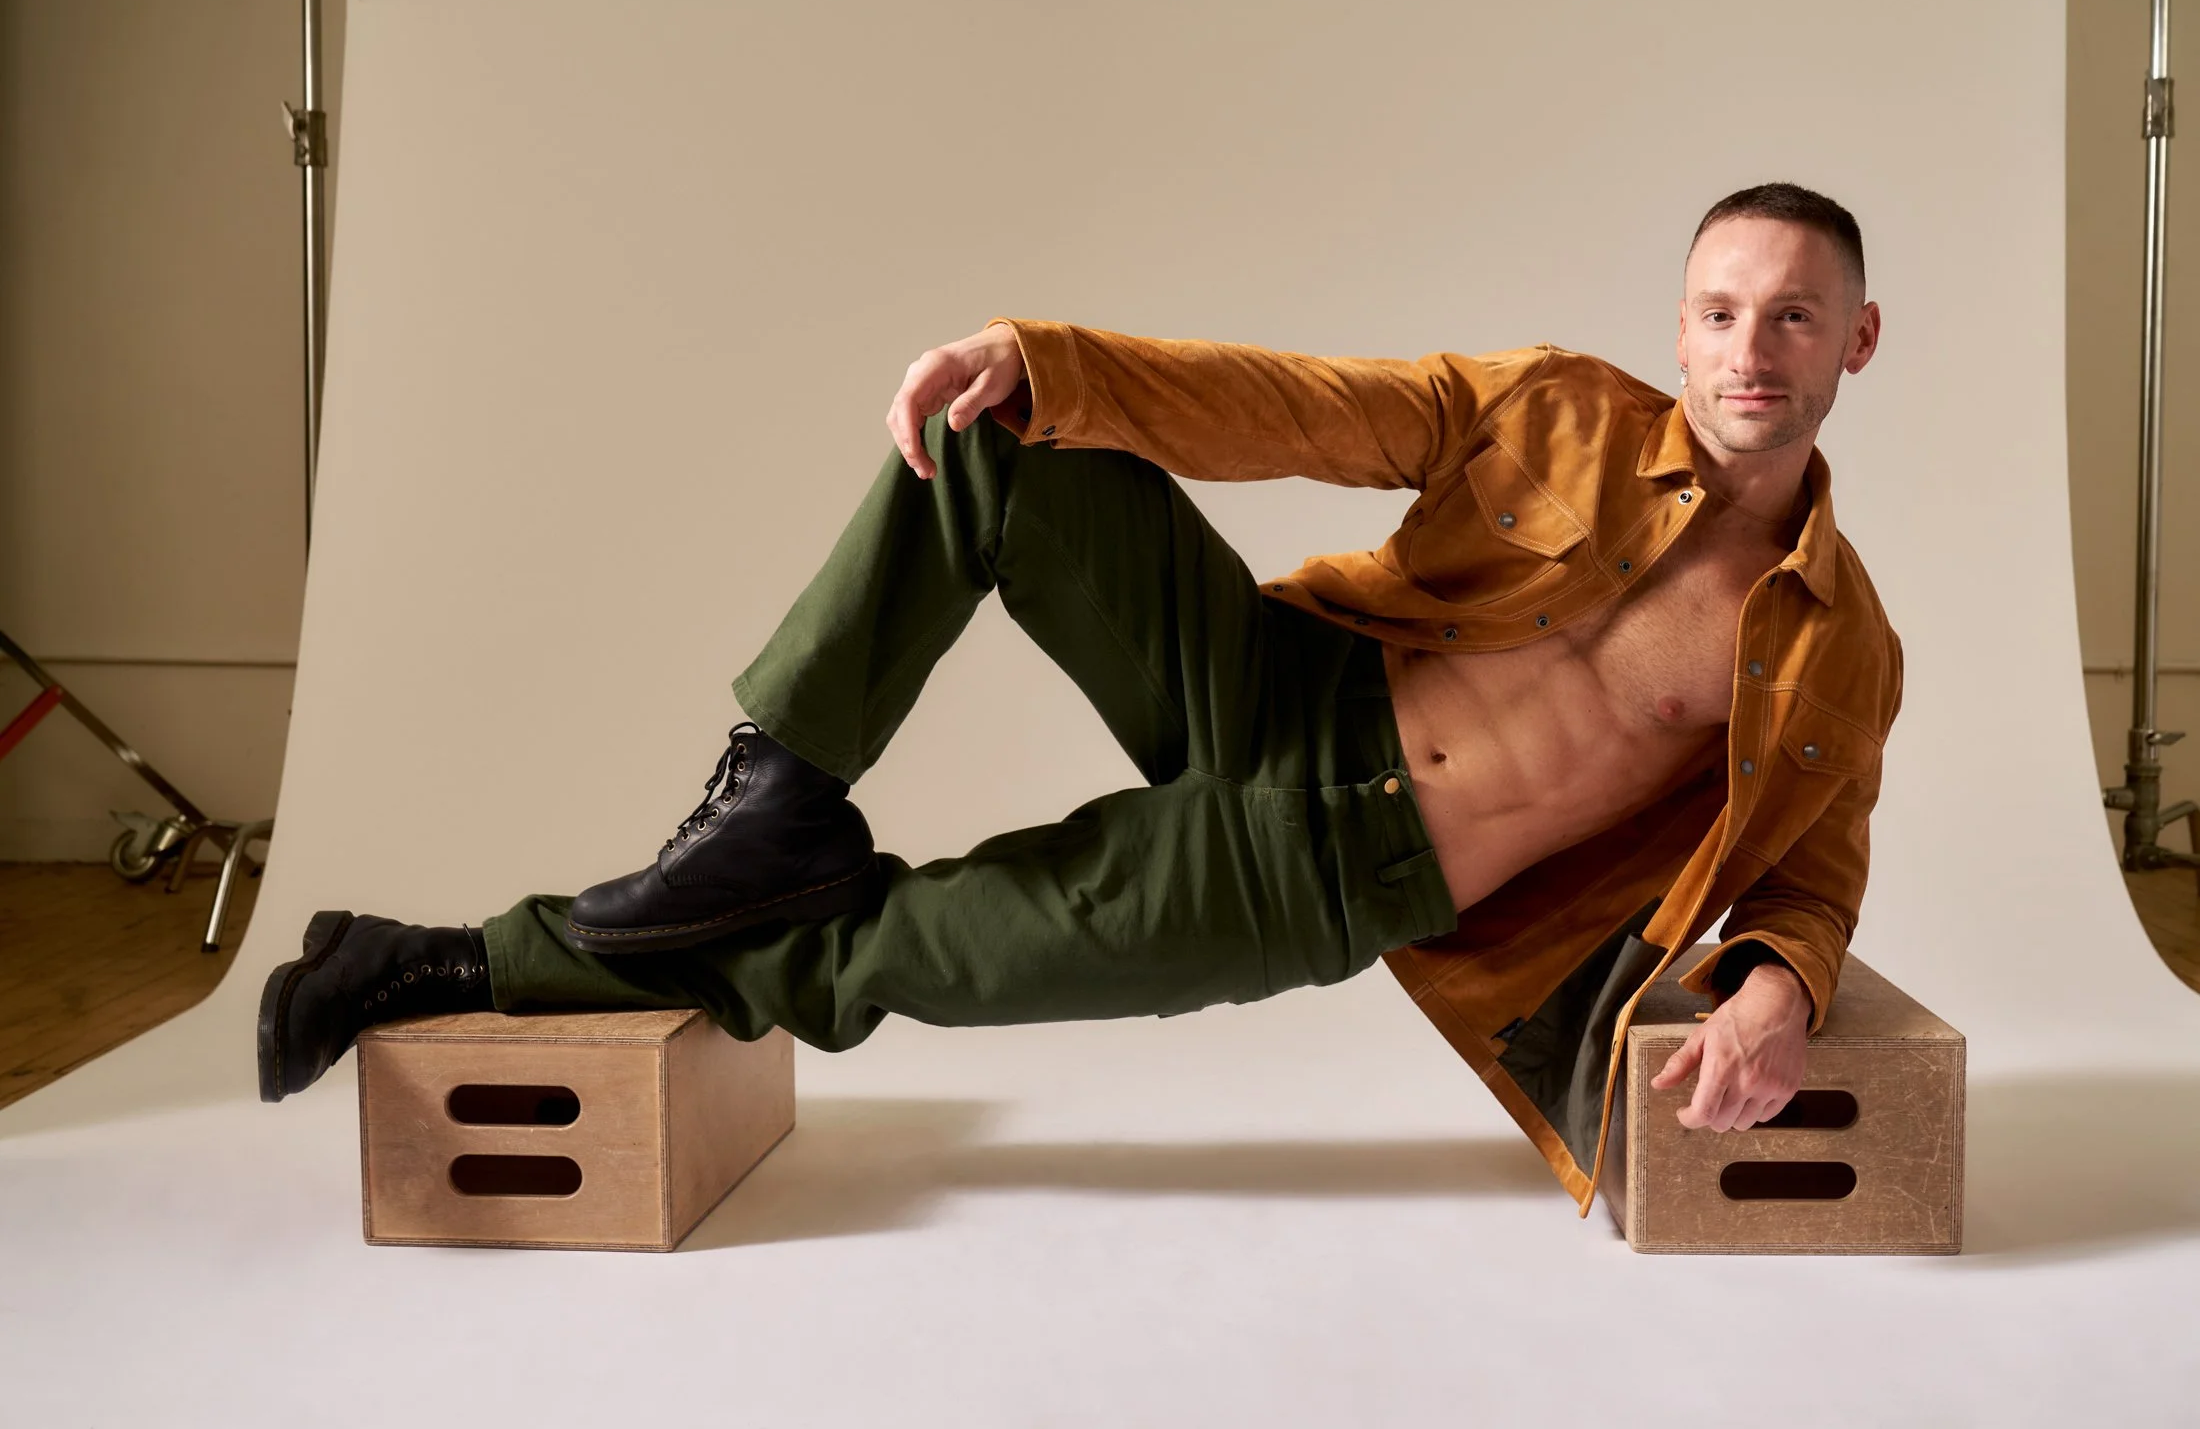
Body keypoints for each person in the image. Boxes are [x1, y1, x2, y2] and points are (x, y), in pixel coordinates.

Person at [257, 181, 1901, 1216]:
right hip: (1284, 691)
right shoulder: (1562, 416)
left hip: (1329, 878)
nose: (1748, 349)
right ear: (1678, 327)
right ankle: (775, 786)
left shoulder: (1843, 651)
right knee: (994, 433)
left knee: (888, 954)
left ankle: (437, 961)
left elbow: (1812, 877)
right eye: (1718, 312)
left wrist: (1780, 992)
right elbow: (1308, 408)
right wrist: (1048, 357)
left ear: (1857, 344)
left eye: (1792, 318)